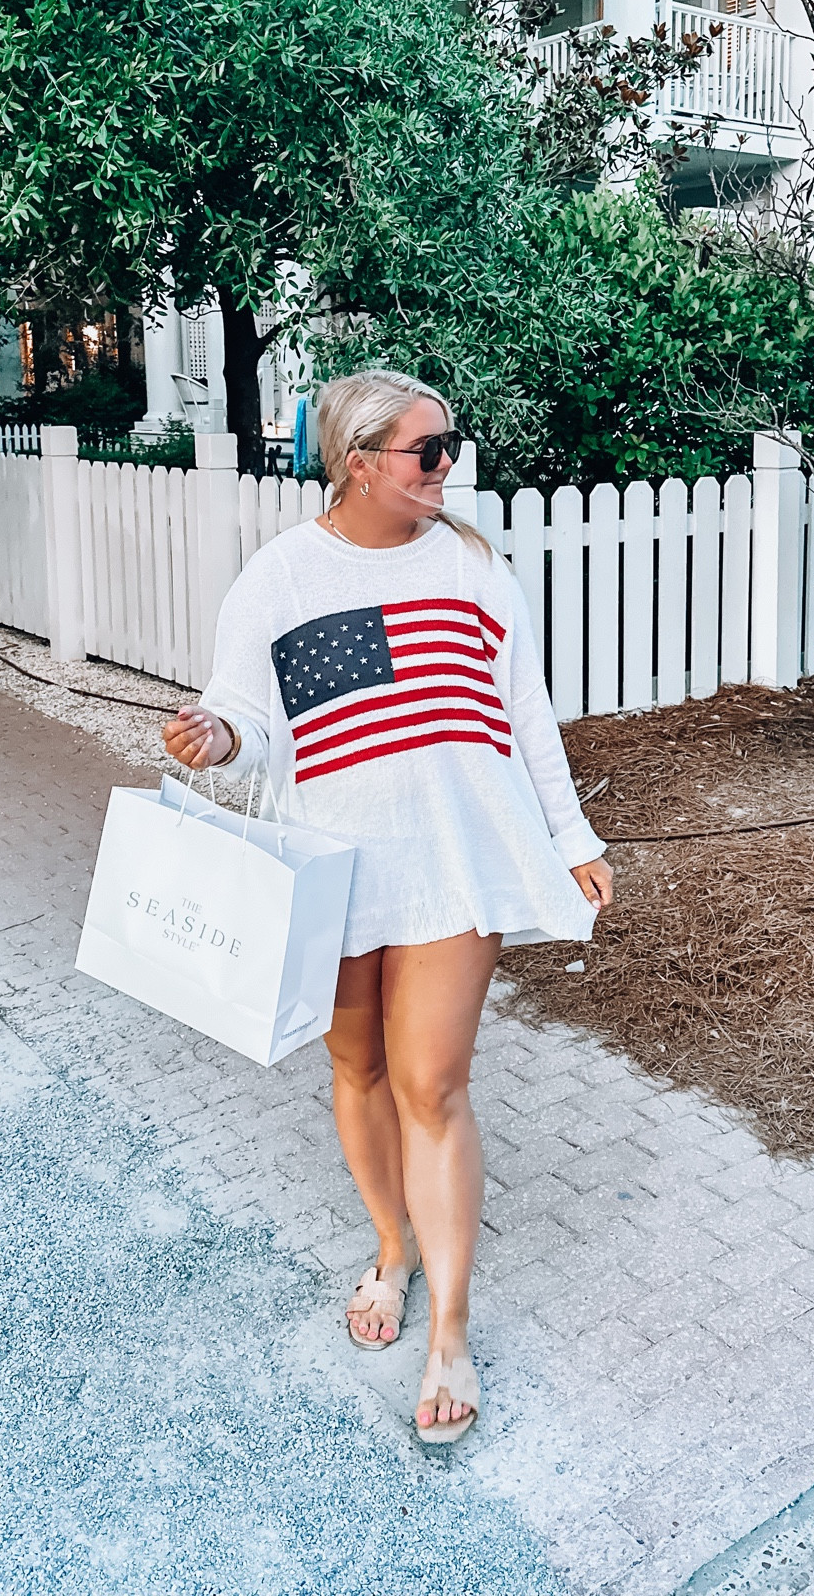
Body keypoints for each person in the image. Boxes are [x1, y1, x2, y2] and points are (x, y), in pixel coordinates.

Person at [162, 370, 612, 1446]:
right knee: (358, 1068)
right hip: (333, 868)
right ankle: (392, 1247)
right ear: (358, 462)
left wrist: (574, 837)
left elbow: (526, 712)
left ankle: (449, 1330)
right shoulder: (279, 577)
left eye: (451, 445)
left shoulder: (471, 564)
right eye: (428, 450)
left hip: (454, 865)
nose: (448, 465)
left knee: (433, 1084)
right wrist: (214, 738)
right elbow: (246, 716)